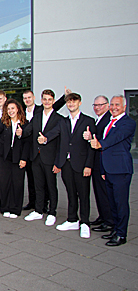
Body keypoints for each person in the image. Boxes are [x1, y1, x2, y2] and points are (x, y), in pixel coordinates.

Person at [38, 93, 96, 239]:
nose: (71, 104)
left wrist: (88, 165)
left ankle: (85, 223)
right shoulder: (63, 122)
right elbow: (54, 133)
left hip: (81, 165)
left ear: (80, 103)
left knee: (83, 194)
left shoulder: (88, 121)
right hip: (67, 164)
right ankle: (72, 219)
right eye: (69, 102)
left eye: (73, 102)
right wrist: (45, 139)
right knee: (70, 192)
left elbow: (92, 147)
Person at [88, 95, 136, 246]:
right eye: (113, 105)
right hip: (108, 169)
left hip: (120, 169)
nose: (114, 107)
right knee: (112, 203)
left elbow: (116, 138)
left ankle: (121, 234)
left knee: (120, 203)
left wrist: (99, 144)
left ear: (124, 106)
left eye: (117, 105)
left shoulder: (128, 123)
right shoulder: (110, 122)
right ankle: (115, 229)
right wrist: (102, 169)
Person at [20, 90, 63, 226]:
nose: (47, 102)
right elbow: (29, 130)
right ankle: (38, 211)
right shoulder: (37, 116)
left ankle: (52, 212)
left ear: (53, 101)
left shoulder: (58, 118)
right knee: (38, 185)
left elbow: (58, 135)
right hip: (36, 156)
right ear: (41, 100)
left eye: (49, 100)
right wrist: (21, 132)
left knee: (51, 186)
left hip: (50, 158)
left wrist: (46, 139)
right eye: (44, 99)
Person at [0, 99, 29, 218]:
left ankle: (15, 209)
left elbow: (27, 143)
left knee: (17, 183)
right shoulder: (4, 122)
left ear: (18, 109)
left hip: (18, 157)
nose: (11, 111)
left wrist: (24, 158)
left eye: (13, 108)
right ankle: (5, 207)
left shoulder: (25, 124)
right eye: (8, 109)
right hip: (4, 156)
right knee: (5, 182)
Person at [82, 95, 114, 233]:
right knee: (99, 193)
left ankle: (109, 221)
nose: (97, 108)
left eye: (101, 105)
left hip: (102, 164)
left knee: (104, 193)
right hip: (96, 163)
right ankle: (103, 217)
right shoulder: (99, 119)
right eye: (95, 105)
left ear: (107, 105)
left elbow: (105, 140)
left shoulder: (108, 120)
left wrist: (91, 138)